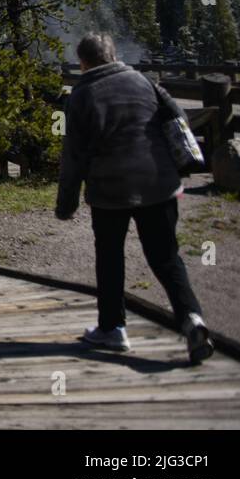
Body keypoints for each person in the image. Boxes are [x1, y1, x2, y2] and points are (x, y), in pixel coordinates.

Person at [56, 32, 213, 363]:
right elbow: (178, 118)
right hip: (158, 182)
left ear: (82, 61)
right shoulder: (143, 81)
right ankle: (192, 319)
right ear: (112, 55)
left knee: (110, 256)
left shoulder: (81, 94)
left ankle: (113, 329)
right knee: (166, 256)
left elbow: (74, 156)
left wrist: (66, 202)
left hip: (111, 189)